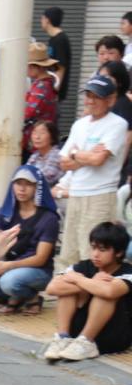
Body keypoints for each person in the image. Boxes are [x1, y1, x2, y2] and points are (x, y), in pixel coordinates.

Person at [0, 166, 59, 315]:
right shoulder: (3, 213)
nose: (22, 188)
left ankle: (31, 297)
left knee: (8, 281)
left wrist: (7, 266)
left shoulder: (48, 218)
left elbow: (40, 258)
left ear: (37, 187)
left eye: (28, 184)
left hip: (38, 271)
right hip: (6, 265)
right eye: (18, 183)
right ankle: (16, 297)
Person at [57, 76, 129, 265]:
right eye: (88, 95)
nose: (90, 100)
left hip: (100, 195)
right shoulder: (79, 124)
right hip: (76, 193)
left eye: (96, 96)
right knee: (69, 254)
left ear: (110, 100)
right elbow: (63, 163)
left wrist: (76, 154)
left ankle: (90, 293)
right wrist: (83, 155)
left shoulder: (117, 124)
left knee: (93, 256)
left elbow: (98, 160)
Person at [45, 222, 132, 362]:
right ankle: (62, 338)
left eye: (103, 250)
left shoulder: (128, 272)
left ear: (119, 252)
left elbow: (110, 292)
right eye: (93, 248)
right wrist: (89, 282)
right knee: (66, 290)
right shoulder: (84, 266)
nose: (95, 255)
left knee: (104, 292)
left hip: (113, 335)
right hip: (76, 335)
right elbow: (52, 288)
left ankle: (87, 341)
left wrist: (80, 280)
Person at [25, 42, 60, 152]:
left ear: (36, 67)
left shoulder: (41, 88)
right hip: (44, 138)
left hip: (36, 141)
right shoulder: (48, 83)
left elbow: (28, 113)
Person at [41, 7, 71, 93]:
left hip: (54, 92)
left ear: (47, 20)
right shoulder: (53, 39)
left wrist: (54, 90)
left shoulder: (60, 40)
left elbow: (61, 67)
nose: (41, 21)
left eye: (42, 18)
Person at [26, 120, 63, 187]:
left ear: (52, 137)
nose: (37, 137)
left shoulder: (56, 154)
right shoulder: (35, 155)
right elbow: (25, 172)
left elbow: (47, 177)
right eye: (34, 133)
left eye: (42, 133)